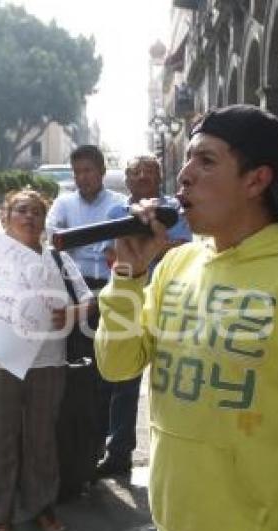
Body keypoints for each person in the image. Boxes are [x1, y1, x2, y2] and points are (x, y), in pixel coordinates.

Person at [94, 105, 278, 531]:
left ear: (256, 180)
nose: (183, 177)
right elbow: (115, 365)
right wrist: (127, 274)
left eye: (206, 161)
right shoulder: (176, 265)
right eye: (187, 161)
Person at [0, 189, 92, 531]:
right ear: (5, 216)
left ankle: (43, 506)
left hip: (49, 362)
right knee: (2, 438)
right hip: (1, 363)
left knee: (42, 438)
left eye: (36, 213)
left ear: (44, 221)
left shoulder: (57, 259)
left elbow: (89, 299)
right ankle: (0, 511)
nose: (29, 218)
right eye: (21, 210)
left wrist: (74, 313)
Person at [93, 156, 191, 479]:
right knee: (122, 379)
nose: (143, 178)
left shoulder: (175, 210)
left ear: (160, 178)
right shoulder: (117, 214)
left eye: (150, 173)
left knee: (172, 381)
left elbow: (184, 249)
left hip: (170, 302)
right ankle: (117, 450)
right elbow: (111, 253)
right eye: (136, 173)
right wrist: (143, 255)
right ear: (128, 181)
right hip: (127, 298)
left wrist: (153, 248)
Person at [45, 145, 127, 490]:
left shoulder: (117, 206)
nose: (83, 178)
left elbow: (121, 247)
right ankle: (71, 454)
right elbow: (54, 242)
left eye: (89, 171)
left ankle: (96, 452)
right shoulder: (63, 204)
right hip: (74, 295)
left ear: (102, 170)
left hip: (111, 294)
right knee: (75, 375)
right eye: (78, 172)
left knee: (105, 376)